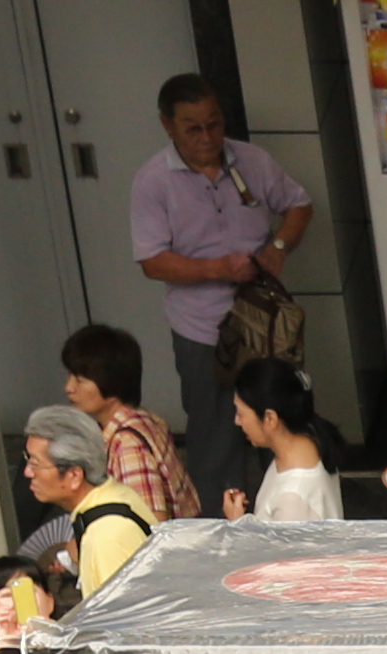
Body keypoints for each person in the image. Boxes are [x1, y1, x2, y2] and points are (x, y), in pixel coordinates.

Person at [128, 73, 314, 514]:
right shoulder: (153, 181)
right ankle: (226, 532)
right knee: (215, 443)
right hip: (202, 329)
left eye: (214, 123)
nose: (208, 137)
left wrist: (278, 248)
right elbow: (152, 261)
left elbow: (299, 205)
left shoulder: (251, 160)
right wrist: (215, 268)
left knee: (286, 428)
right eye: (193, 128)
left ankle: (298, 522)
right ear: (167, 126)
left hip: (266, 326)